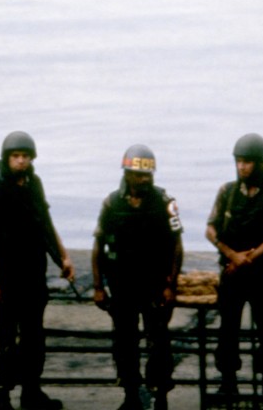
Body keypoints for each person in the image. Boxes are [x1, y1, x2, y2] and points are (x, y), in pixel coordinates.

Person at [0, 131, 75, 410]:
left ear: (32, 158)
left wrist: (63, 257)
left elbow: (45, 222)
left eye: (25, 156)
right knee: (5, 336)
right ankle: (2, 397)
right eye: (15, 156)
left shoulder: (34, 183)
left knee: (34, 336)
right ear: (7, 158)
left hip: (34, 269)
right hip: (6, 271)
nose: (20, 161)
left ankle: (31, 392)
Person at [91, 144, 184, 410]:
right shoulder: (111, 203)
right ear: (127, 173)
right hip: (122, 286)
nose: (145, 179)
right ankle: (131, 394)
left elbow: (177, 246)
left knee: (159, 343)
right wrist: (98, 286)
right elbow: (98, 245)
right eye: (139, 174)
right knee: (124, 343)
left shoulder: (166, 203)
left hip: (155, 285)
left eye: (148, 175)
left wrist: (171, 285)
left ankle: (161, 395)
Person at [205, 133, 263, 398]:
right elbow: (210, 229)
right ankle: (228, 382)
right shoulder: (227, 192)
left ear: (260, 163)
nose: (242, 167)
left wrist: (248, 258)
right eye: (239, 162)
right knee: (227, 329)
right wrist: (232, 255)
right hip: (232, 273)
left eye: (247, 162)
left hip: (262, 274)